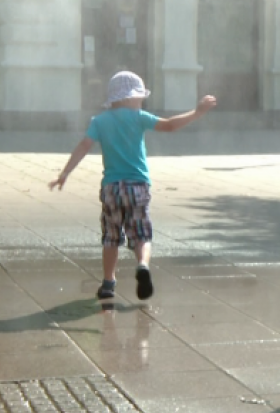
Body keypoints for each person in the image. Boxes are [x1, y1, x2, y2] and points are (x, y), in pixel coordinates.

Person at [49, 71, 217, 299]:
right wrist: (197, 113)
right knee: (141, 236)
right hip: (137, 186)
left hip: (111, 188)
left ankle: (108, 282)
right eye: (139, 96)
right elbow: (169, 126)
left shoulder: (99, 121)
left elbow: (84, 145)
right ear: (129, 98)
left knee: (111, 237)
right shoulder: (138, 116)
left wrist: (65, 173)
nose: (141, 100)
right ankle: (142, 265)